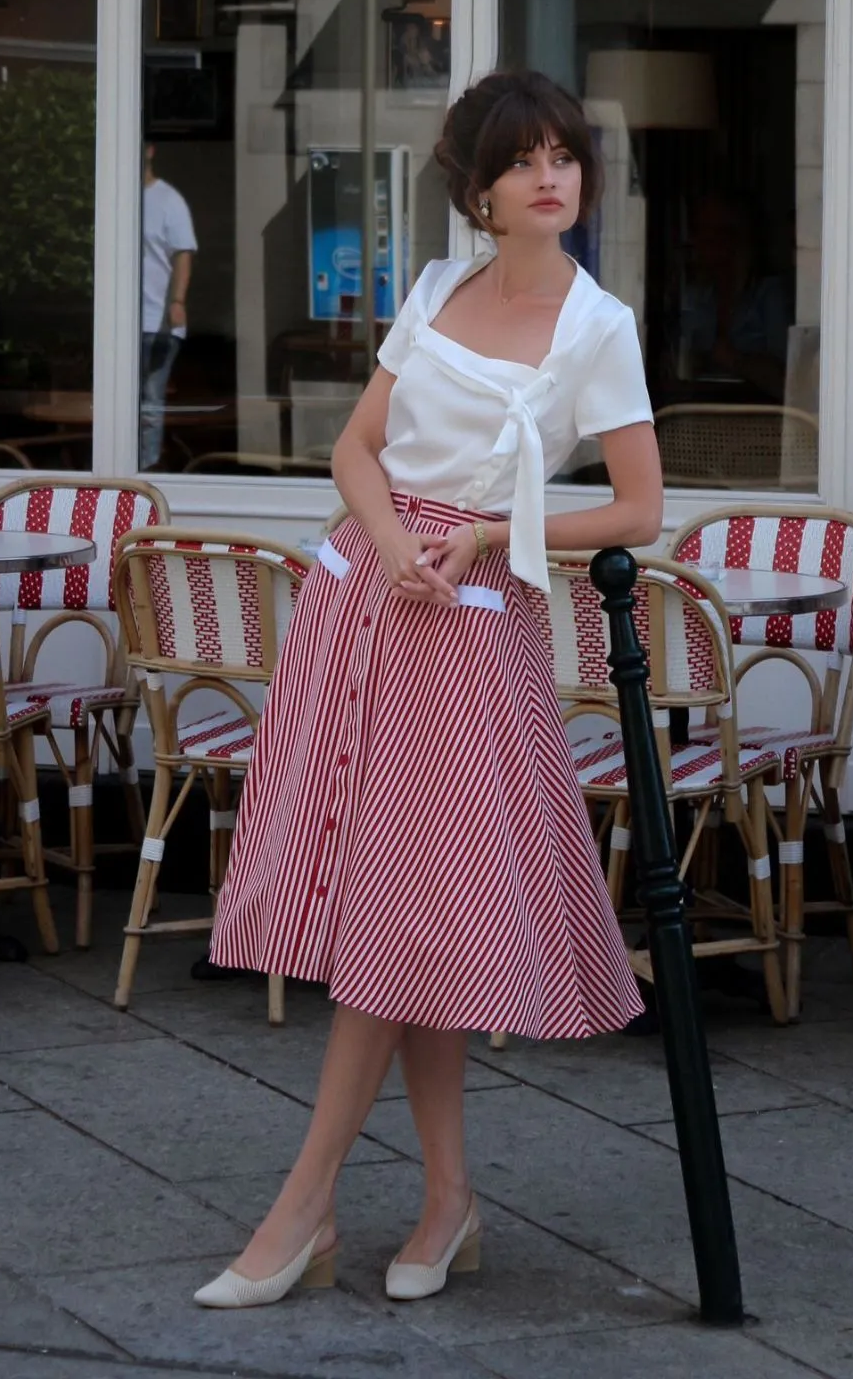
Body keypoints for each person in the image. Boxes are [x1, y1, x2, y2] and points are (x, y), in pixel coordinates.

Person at [194, 70, 664, 1311]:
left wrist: (493, 539)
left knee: (403, 920)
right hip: (363, 603)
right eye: (524, 160)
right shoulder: (436, 289)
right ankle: (447, 1197)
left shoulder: (597, 326)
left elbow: (640, 508)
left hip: (470, 630)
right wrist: (393, 540)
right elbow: (357, 447)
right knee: (408, 921)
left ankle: (303, 1205)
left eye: (565, 154)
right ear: (478, 187)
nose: (551, 176)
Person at [675, 191, 790, 401]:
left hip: (761, 421)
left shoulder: (769, 296)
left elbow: (789, 383)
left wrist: (737, 361)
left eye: (715, 235)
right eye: (700, 233)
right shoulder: (697, 296)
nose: (700, 245)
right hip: (697, 417)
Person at [140, 141, 197, 469]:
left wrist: (177, 301)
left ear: (150, 150)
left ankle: (146, 469)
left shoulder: (168, 200)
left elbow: (183, 253)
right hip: (124, 324)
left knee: (150, 401)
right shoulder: (118, 195)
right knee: (122, 403)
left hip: (156, 321)